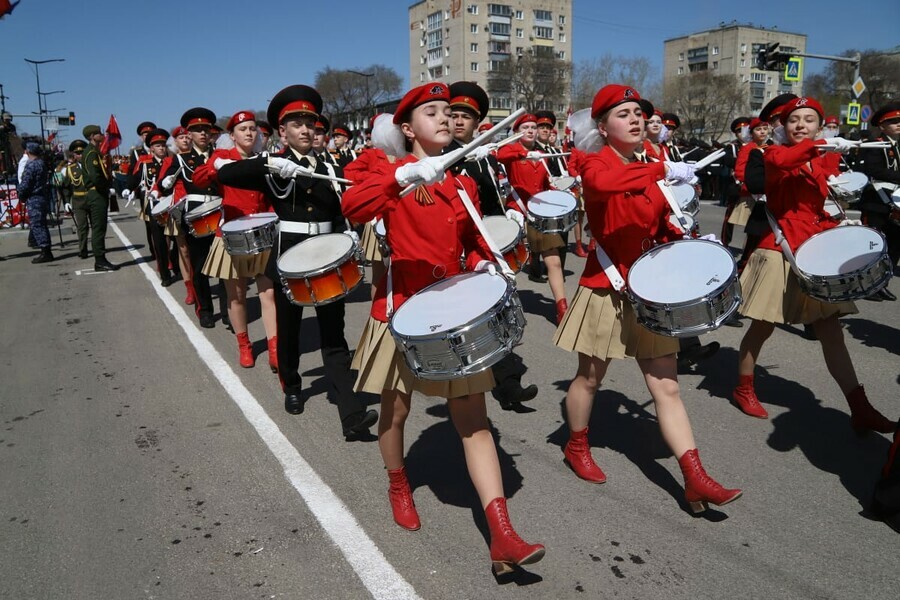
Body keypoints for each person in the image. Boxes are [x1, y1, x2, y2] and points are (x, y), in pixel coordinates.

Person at [342, 82, 544, 575]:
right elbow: (354, 208)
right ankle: (397, 482)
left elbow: (473, 239)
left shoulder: (462, 181)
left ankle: (503, 534)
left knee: (474, 419)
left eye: (449, 112)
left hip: (451, 311)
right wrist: (405, 177)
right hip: (401, 310)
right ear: (408, 128)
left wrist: (483, 263)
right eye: (431, 112)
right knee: (394, 414)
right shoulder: (384, 170)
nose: (445, 118)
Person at [554, 84, 742, 514]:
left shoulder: (654, 161)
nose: (636, 119)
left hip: (652, 287)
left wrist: (684, 234)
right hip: (607, 284)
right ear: (602, 127)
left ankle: (695, 477)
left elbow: (659, 224)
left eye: (639, 112)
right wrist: (662, 173)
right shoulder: (594, 163)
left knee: (667, 387)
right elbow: (604, 185)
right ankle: (576, 444)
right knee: (589, 378)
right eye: (623, 114)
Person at [217, 85, 377, 440]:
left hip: (325, 255)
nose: (305, 130)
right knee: (288, 330)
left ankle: (350, 410)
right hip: (288, 256)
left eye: (310, 123)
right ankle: (291, 383)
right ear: (282, 131)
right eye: (297, 124)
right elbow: (226, 175)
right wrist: (269, 162)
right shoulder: (274, 167)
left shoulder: (330, 164)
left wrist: (348, 233)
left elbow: (341, 207)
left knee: (333, 333)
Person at [731, 96, 895, 434]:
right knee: (762, 327)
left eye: (809, 120)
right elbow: (789, 159)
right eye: (794, 120)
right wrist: (821, 146)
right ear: (783, 126)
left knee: (832, 333)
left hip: (814, 249)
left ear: (820, 125)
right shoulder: (774, 154)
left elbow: (823, 203)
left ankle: (860, 407)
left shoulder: (823, 161)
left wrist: (839, 221)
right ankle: (744, 387)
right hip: (779, 248)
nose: (801, 125)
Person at [445, 80, 539, 410]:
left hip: (492, 245)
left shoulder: (488, 156)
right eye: (452, 114)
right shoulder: (444, 158)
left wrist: (514, 214)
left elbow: (503, 193)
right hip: (465, 248)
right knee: (479, 316)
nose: (458, 121)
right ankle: (502, 382)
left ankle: (505, 381)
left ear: (477, 122)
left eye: (465, 116)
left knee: (500, 313)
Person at [194, 110, 278, 370]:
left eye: (253, 128)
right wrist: (215, 168)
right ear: (232, 136)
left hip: (263, 233)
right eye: (243, 129)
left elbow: (273, 197)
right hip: (232, 234)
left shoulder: (264, 159)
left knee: (269, 293)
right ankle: (244, 344)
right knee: (237, 295)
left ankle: (275, 347)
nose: (249, 133)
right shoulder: (223, 157)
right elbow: (199, 178)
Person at [497, 114, 568, 323]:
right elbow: (501, 155)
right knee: (511, 264)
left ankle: (561, 306)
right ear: (517, 131)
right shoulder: (511, 150)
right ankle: (504, 306)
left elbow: (545, 186)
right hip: (517, 210)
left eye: (533, 127)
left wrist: (559, 193)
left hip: (538, 214)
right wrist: (523, 153)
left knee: (553, 260)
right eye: (525, 127)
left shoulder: (541, 155)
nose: (530, 130)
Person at [158, 108, 220, 328]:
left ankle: (230, 308)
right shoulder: (182, 159)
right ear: (189, 134)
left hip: (222, 215)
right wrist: (164, 185)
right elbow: (164, 184)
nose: (202, 133)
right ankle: (205, 309)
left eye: (206, 129)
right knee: (200, 265)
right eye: (197, 130)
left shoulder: (220, 155)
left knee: (225, 268)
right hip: (197, 217)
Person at [856, 100, 900, 301]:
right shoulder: (874, 144)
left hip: (896, 202)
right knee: (875, 244)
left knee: (894, 245)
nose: (898, 124)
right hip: (876, 201)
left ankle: (882, 283)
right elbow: (871, 170)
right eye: (893, 122)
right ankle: (868, 285)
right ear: (882, 126)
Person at [129, 128, 176, 286]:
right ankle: (165, 274)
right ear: (151, 148)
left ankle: (176, 262)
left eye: (163, 145)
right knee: (160, 240)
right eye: (157, 145)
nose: (161, 148)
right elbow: (135, 178)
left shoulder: (173, 161)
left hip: (172, 203)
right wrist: (128, 189)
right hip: (154, 205)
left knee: (178, 238)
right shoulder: (144, 162)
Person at [80, 125, 119, 271]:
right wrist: (106, 187)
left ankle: (101, 259)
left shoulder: (94, 152)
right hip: (96, 193)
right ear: (91, 136)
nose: (101, 134)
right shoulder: (90, 153)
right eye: (98, 133)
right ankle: (100, 260)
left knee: (100, 227)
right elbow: (95, 176)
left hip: (98, 192)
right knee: (99, 228)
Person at [122, 121, 157, 261]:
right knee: (150, 224)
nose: (147, 136)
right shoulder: (137, 153)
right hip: (146, 193)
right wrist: (129, 188)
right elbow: (132, 172)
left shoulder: (163, 148)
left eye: (150, 133)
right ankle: (154, 251)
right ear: (141, 137)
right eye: (144, 134)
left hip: (162, 191)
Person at [19, 142, 53, 263]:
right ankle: (46, 249)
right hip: (42, 196)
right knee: (42, 224)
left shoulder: (31, 165)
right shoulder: (42, 164)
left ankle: (45, 251)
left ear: (28, 152)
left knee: (37, 225)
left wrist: (21, 195)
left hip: (34, 198)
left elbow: (26, 184)